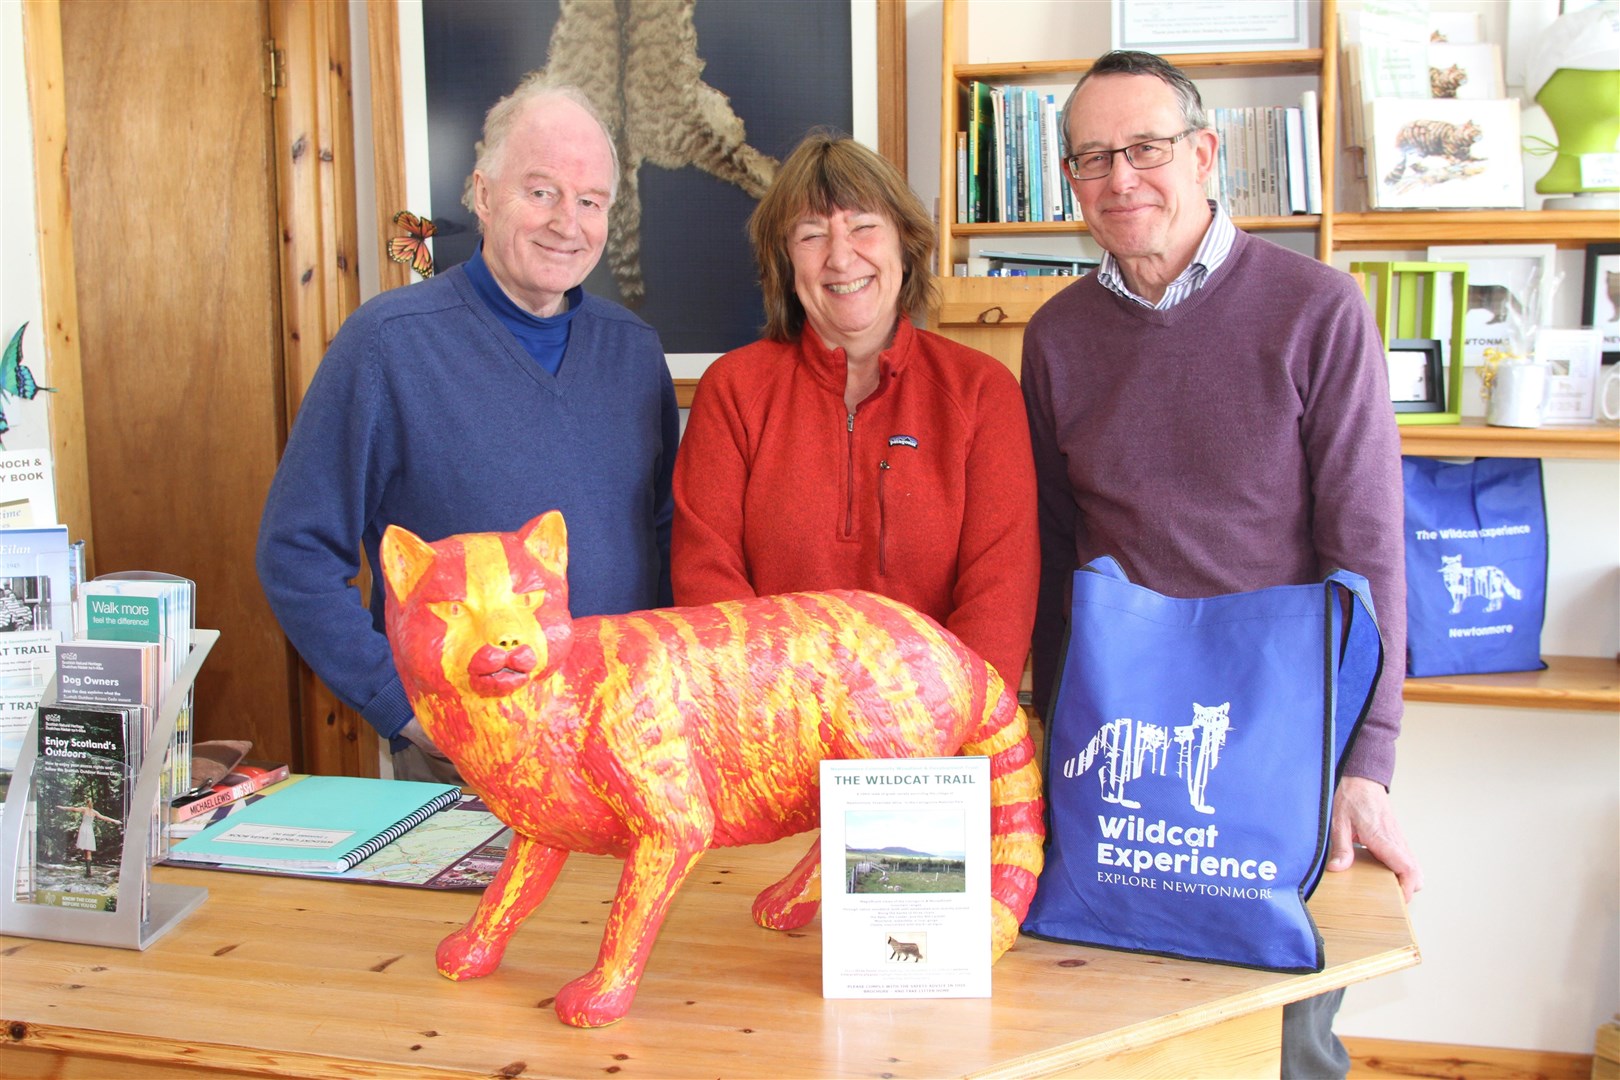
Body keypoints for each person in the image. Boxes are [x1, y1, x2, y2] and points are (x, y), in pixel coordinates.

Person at [1022, 52, 1424, 1078]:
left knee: (1285, 1033)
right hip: (1118, 730)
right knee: (1104, 1012)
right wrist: (1045, 730)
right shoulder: (1058, 336)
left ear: (1205, 155)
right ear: (1070, 181)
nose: (1122, 179)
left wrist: (1365, 761)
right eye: (1093, 159)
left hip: (1277, 729)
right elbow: (1057, 553)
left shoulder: (1318, 309)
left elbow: (1369, 553)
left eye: (1146, 149)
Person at [257, 77, 679, 783]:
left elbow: (663, 537)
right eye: (540, 191)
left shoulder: (633, 350)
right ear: (483, 195)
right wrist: (399, 708)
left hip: (620, 741)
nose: (565, 222)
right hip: (465, 754)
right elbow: (295, 551)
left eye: (590, 201)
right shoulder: (387, 345)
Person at [672, 133, 1038, 691]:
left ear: (904, 242)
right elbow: (707, 582)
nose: (841, 257)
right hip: (772, 731)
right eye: (812, 234)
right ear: (784, 261)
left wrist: (938, 731)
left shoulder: (982, 391)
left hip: (933, 747)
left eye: (863, 225)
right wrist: (789, 720)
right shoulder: (732, 390)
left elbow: (1000, 591)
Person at [58, 801, 117, 878]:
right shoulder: (94, 812)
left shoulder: (84, 809)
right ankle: (88, 871)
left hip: (84, 829)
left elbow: (73, 809)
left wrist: (63, 808)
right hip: (89, 830)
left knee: (86, 850)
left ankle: (88, 871)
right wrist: (114, 821)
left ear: (87, 803)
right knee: (88, 851)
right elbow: (104, 818)